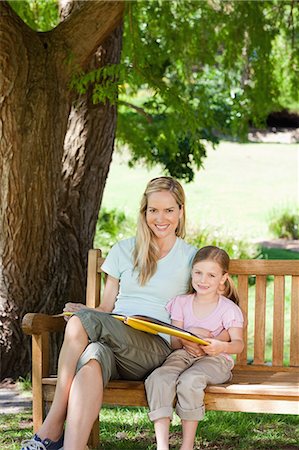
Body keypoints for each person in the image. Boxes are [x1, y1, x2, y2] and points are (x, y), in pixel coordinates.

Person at [21, 176, 197, 450]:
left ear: (181, 211)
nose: (160, 218)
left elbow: (203, 308)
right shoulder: (124, 250)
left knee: (83, 323)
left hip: (154, 350)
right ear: (144, 212)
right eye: (153, 210)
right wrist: (89, 313)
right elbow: (106, 309)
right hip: (114, 341)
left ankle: (52, 425)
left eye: (169, 210)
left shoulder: (190, 258)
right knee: (92, 360)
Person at [144, 245, 244, 450]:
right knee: (159, 378)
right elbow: (174, 343)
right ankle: (162, 445)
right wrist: (191, 335)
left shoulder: (228, 309)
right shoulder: (181, 303)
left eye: (211, 275)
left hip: (215, 361)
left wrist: (220, 346)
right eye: (198, 273)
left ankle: (186, 446)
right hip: (182, 355)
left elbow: (238, 345)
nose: (203, 280)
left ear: (223, 278)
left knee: (190, 380)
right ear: (191, 272)